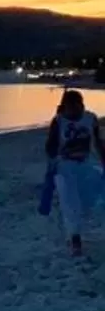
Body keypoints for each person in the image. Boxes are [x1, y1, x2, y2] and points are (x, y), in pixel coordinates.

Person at [44, 89, 103, 257]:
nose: (74, 111)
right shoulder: (59, 121)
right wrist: (52, 164)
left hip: (84, 164)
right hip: (64, 167)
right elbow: (50, 147)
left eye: (77, 107)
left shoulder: (90, 118)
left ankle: (76, 232)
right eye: (70, 108)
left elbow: (98, 143)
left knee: (88, 197)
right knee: (70, 203)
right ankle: (75, 239)